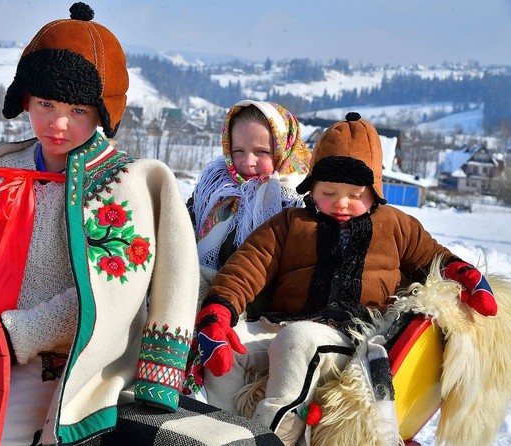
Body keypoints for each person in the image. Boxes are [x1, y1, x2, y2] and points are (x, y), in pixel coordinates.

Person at [0, 3, 199, 445]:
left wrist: (17, 331)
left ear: (102, 113)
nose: (58, 123)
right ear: (25, 101)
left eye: (78, 110)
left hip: (62, 360)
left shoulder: (120, 184)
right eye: (45, 104)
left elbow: (106, 296)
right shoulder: (7, 167)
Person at [193, 112, 497, 444]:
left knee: (299, 341)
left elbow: (433, 258)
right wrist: (219, 312)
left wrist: (465, 275)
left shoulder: (396, 226)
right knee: (231, 350)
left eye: (355, 194)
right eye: (328, 191)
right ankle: (227, 434)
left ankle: (271, 437)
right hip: (281, 324)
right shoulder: (290, 224)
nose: (341, 202)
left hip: (353, 337)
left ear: (374, 190)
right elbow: (247, 267)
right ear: (312, 188)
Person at [186, 100, 311, 308]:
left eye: (262, 151)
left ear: (283, 148)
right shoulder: (214, 186)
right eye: (238, 151)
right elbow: (186, 228)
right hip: (204, 299)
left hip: (262, 311)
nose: (248, 162)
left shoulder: (298, 199)